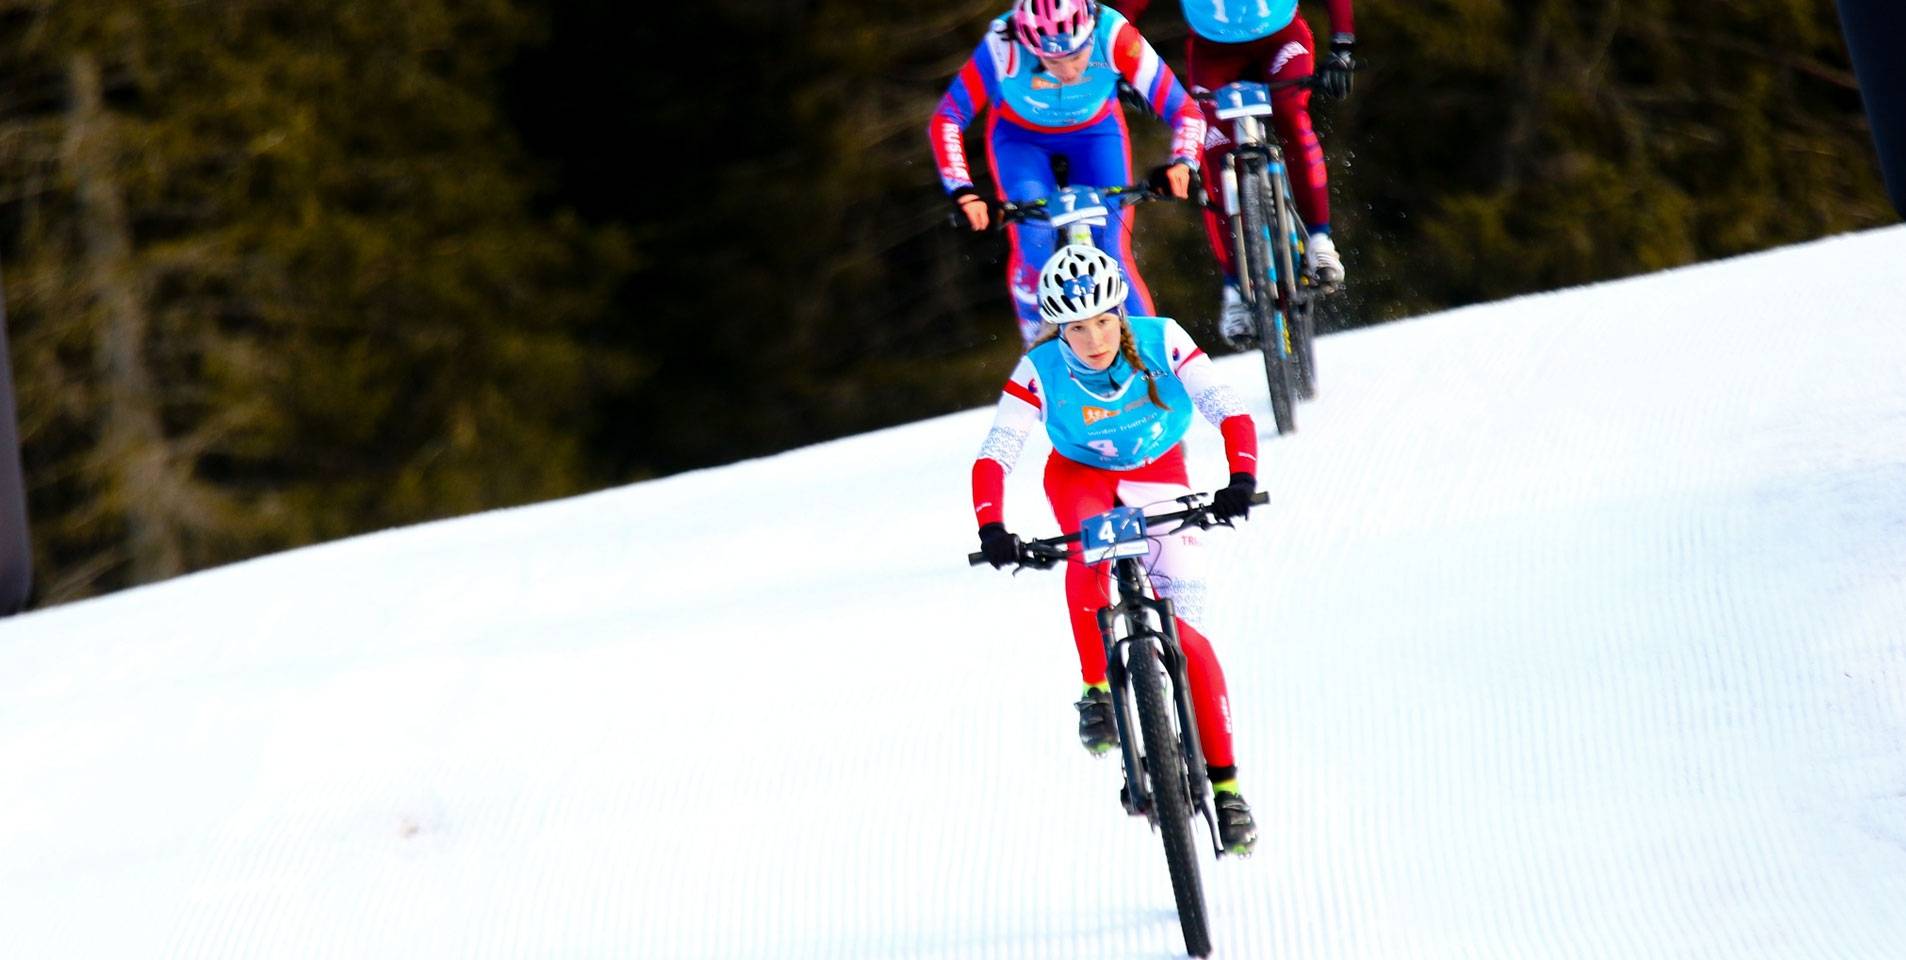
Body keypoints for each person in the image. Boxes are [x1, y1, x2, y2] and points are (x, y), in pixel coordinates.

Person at [970, 244, 1261, 854]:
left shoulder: (1163, 339)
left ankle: (1229, 790)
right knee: (1087, 552)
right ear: (1058, 328)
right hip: (1082, 477)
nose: (1095, 336)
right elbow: (997, 449)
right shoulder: (1039, 368)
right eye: (1077, 326)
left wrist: (1239, 479)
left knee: (1192, 642)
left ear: (1122, 312)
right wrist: (991, 526)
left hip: (1159, 472)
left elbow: (1227, 408)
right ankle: (1097, 691)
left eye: (1104, 320)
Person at [930, 0, 1207, 346]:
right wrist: (962, 190)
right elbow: (948, 117)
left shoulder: (1114, 34)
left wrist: (1183, 162)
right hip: (1020, 140)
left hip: (1095, 134)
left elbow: (1184, 110)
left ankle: (1153, 360)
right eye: (1052, 61)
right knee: (1035, 239)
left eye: (1077, 56)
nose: (1069, 71)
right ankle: (1038, 346)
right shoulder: (1002, 43)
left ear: (1091, 32)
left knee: (1111, 247)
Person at [1105, 0, 1357, 346]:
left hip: (1281, 42)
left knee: (1291, 117)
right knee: (1213, 159)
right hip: (1212, 56)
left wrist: (1342, 47)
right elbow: (1125, 11)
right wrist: (1120, 69)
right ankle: (1234, 290)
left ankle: (1319, 240)